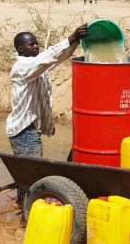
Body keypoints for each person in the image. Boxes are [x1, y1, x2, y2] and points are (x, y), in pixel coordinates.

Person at [7, 24, 88, 157]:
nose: (35, 47)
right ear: (21, 49)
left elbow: (54, 59)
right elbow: (46, 58)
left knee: (32, 172)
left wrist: (74, 42)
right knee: (33, 173)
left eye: (36, 44)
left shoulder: (36, 65)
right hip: (23, 130)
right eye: (31, 45)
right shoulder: (22, 67)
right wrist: (70, 38)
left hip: (30, 129)